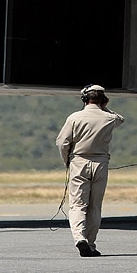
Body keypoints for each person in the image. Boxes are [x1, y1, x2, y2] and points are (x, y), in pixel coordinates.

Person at [56, 84, 125, 257]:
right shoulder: (108, 118)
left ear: (84, 99)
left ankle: (80, 239)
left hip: (79, 162)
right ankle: (91, 245)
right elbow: (120, 118)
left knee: (78, 204)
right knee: (95, 206)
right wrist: (105, 107)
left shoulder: (74, 118)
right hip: (101, 163)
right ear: (103, 100)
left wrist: (67, 161)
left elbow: (62, 142)